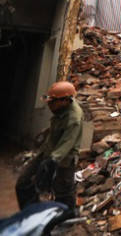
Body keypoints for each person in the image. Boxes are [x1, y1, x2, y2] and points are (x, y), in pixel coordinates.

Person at [15, 81, 84, 218]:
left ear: (64, 101)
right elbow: (59, 127)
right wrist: (48, 132)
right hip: (47, 150)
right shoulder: (60, 107)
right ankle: (32, 214)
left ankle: (65, 218)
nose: (49, 104)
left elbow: (67, 142)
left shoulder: (74, 118)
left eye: (52, 102)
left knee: (63, 193)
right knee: (23, 183)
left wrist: (53, 160)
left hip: (64, 158)